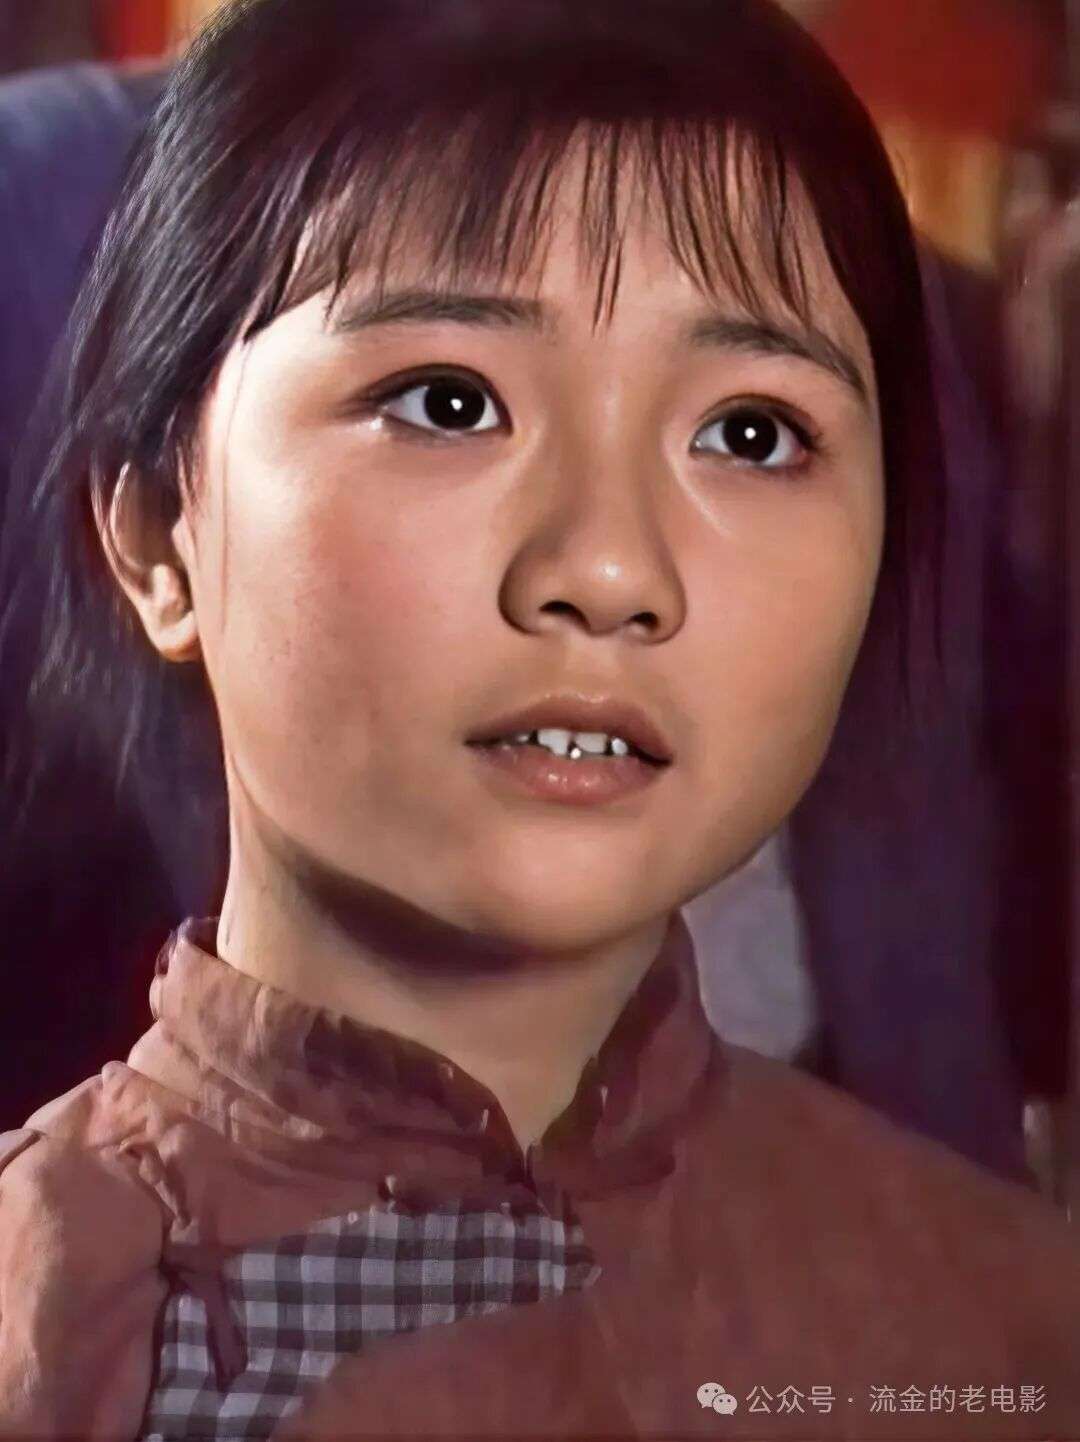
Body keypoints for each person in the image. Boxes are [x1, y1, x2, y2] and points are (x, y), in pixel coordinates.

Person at [0, 1, 1077, 1438]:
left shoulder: (1008, 1338)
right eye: (447, 403)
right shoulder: (44, 1336)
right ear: (155, 533)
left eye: (750, 433)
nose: (611, 568)